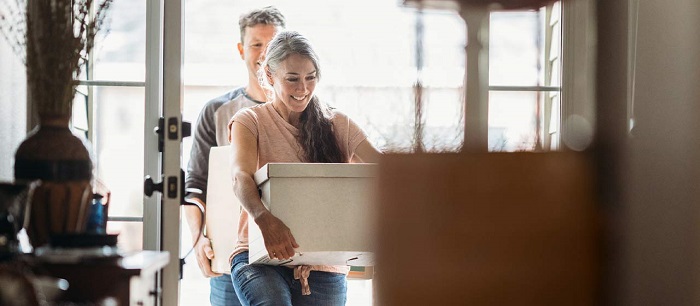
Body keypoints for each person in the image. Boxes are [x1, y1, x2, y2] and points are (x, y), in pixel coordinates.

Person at [227, 31, 382, 306]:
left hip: (324, 265)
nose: (303, 89)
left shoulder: (338, 124)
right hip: (260, 258)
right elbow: (240, 176)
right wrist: (264, 218)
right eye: (293, 79)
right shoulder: (249, 121)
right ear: (270, 76)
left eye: (311, 77)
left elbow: (385, 170)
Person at [183, 6, 286, 306]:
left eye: (273, 46)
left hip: (290, 259)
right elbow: (195, 185)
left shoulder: (304, 112)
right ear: (242, 50)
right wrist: (198, 238)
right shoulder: (217, 112)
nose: (265, 54)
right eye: (256, 45)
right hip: (231, 259)